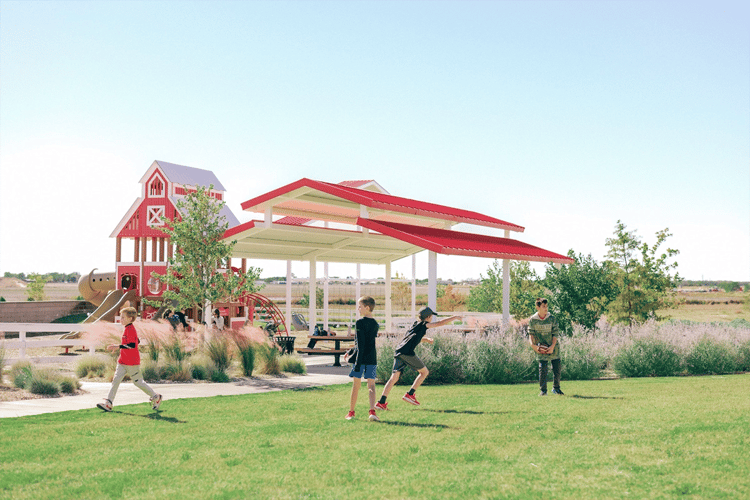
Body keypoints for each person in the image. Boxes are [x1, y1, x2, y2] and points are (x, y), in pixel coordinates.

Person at [375, 307, 461, 410]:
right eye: (431, 316)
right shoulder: (424, 325)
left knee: (394, 378)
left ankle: (381, 402)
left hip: (399, 351)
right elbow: (440, 323)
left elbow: (412, 338)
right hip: (407, 353)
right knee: (424, 372)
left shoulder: (415, 324)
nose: (432, 318)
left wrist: (426, 340)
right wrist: (454, 317)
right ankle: (410, 395)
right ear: (428, 317)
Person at [97, 307, 162, 412]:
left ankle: (156, 397)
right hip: (122, 361)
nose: (120, 319)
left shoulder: (131, 329)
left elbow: (131, 345)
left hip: (132, 362)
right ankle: (108, 403)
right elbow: (135, 341)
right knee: (116, 381)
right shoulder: (127, 328)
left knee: (138, 382)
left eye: (123, 317)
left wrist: (117, 346)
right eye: (120, 317)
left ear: (130, 319)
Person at [345, 296, 380, 421]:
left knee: (356, 386)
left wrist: (357, 362)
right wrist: (351, 351)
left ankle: (351, 412)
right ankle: (372, 412)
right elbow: (366, 343)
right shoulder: (376, 324)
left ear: (367, 307)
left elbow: (360, 344)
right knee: (371, 386)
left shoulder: (359, 323)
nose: (358, 309)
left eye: (360, 306)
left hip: (360, 360)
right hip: (372, 358)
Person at [528, 298, 563, 396]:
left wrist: (552, 346)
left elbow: (555, 333)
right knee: (542, 369)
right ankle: (543, 391)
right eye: (543, 306)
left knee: (557, 368)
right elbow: (531, 334)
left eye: (546, 306)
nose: (546, 308)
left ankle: (556, 389)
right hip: (541, 348)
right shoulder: (533, 320)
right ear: (538, 307)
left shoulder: (552, 318)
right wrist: (534, 346)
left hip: (553, 347)